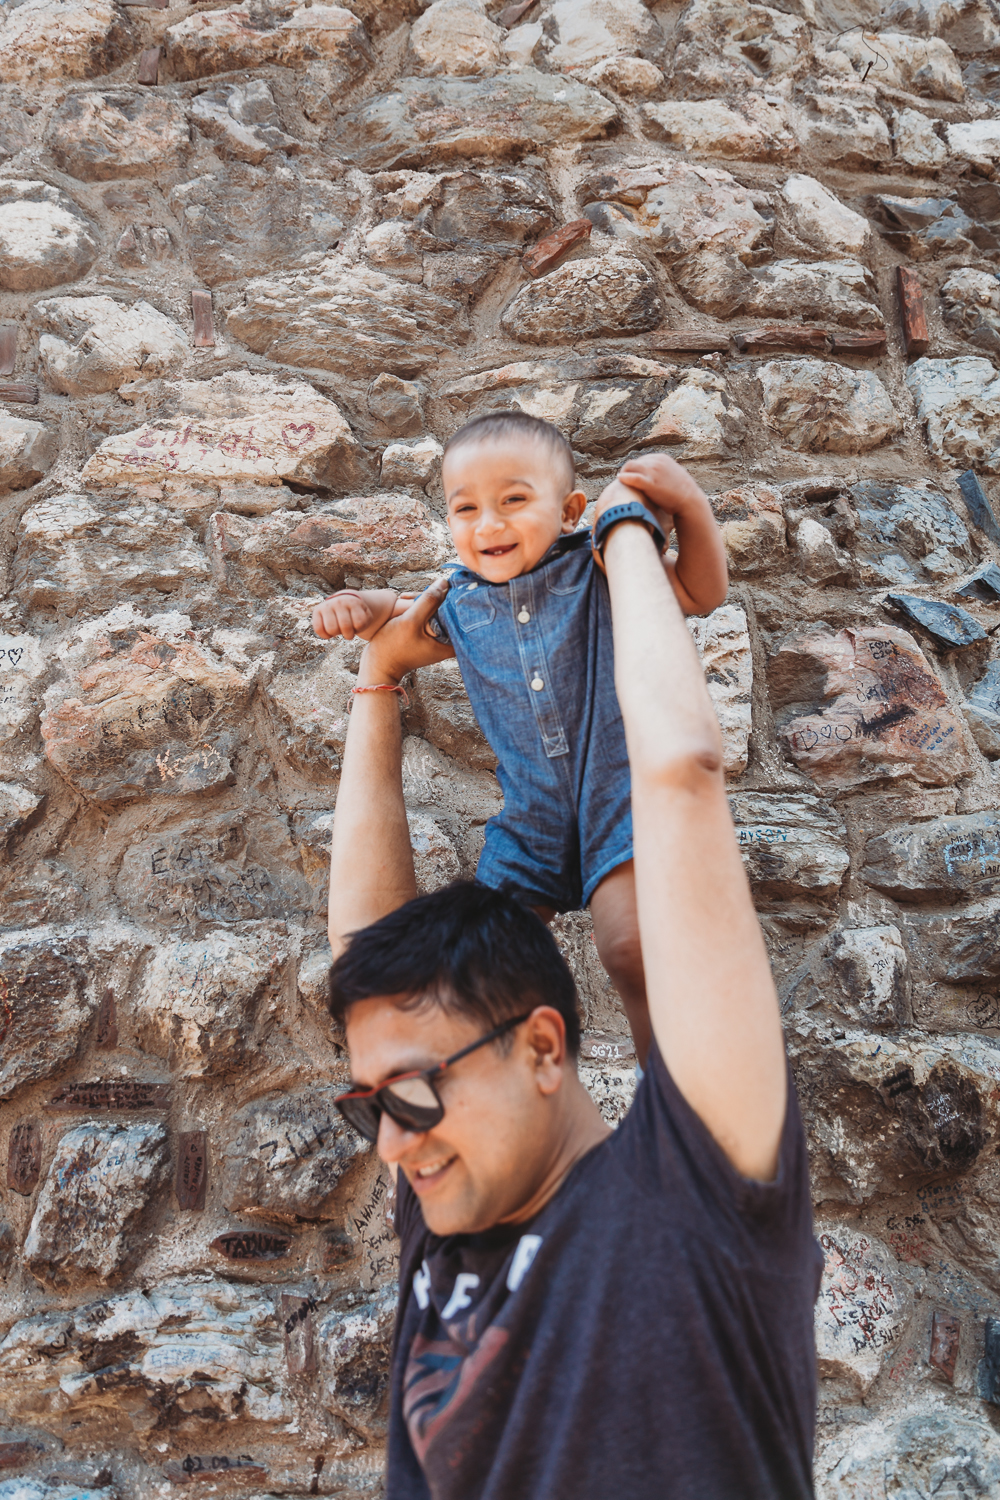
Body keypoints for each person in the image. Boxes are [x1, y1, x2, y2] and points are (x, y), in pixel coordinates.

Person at [324, 457, 822, 1500]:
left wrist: (627, 534)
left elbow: (680, 776)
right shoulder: (449, 1203)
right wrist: (378, 682)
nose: (391, 1141)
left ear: (544, 1047)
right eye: (368, 1104)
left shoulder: (695, 1193)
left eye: (408, 1093)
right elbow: (368, 958)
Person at [313, 414, 728, 1062]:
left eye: (513, 501)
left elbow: (700, 592)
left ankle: (669, 1088)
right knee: (481, 968)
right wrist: (357, 608)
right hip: (528, 821)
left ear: (568, 511)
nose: (488, 525)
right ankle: (511, 1081)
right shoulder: (459, 598)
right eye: (466, 508)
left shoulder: (596, 568)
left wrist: (690, 507)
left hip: (614, 799)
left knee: (629, 945)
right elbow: (394, 610)